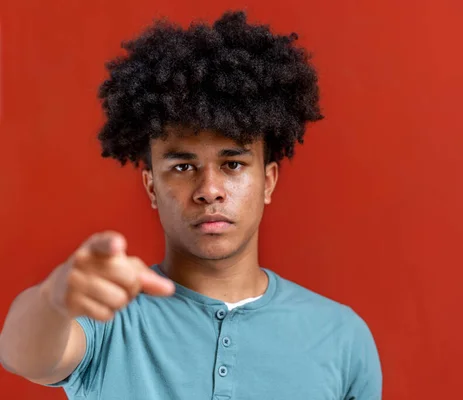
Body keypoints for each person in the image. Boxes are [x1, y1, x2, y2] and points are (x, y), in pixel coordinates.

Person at [0, 10, 382, 400]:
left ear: (268, 182)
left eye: (232, 165)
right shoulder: (107, 317)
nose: (209, 190)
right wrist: (52, 300)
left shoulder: (342, 337)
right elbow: (22, 356)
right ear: (151, 186)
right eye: (183, 166)